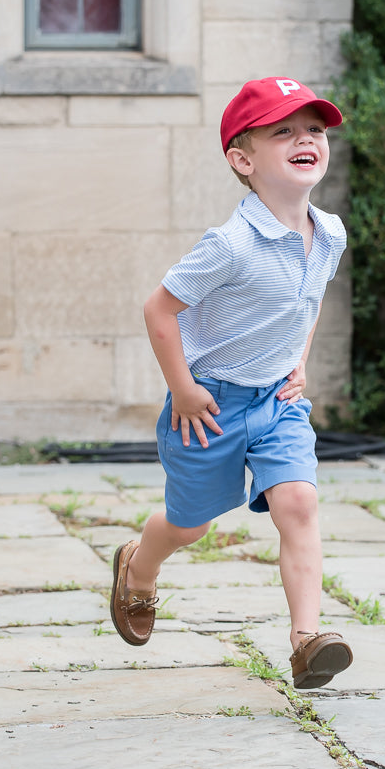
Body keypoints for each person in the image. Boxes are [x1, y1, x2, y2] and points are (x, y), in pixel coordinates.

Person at [110, 77, 353, 689]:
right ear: (243, 160)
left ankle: (306, 641)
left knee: (298, 502)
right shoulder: (229, 245)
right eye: (284, 131)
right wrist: (185, 389)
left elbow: (308, 299)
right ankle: (138, 569)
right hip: (209, 403)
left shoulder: (330, 233)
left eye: (315, 131)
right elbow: (158, 311)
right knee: (189, 526)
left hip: (277, 399)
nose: (306, 140)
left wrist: (300, 359)